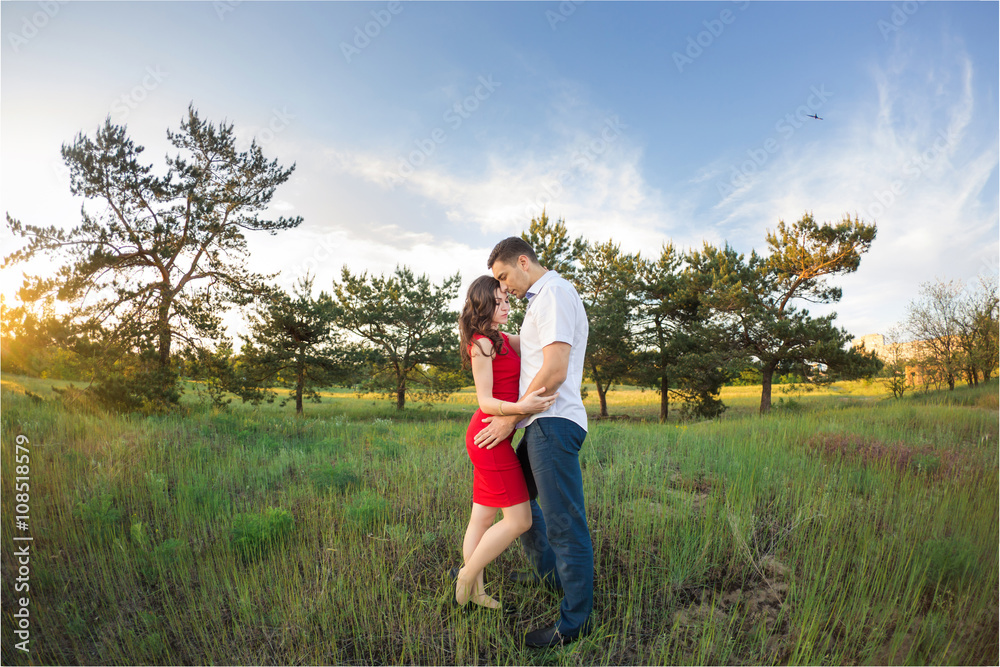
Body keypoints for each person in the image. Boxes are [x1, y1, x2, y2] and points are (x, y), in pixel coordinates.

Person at [474, 237, 593, 649]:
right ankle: (549, 574)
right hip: (539, 423)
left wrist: (511, 419)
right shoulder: (540, 302)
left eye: (505, 277)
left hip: (553, 422)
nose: (504, 288)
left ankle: (575, 622)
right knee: (519, 503)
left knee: (565, 523)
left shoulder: (555, 293)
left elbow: (556, 370)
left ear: (523, 262)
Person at [455, 275, 557, 611]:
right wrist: (522, 408)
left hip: (495, 435)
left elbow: (535, 340)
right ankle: (468, 576)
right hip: (488, 435)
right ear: (482, 305)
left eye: (507, 301)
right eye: (498, 302)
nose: (505, 307)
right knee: (520, 521)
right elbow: (484, 400)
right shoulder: (482, 344)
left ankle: (477, 593)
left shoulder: (501, 339)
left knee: (482, 519)